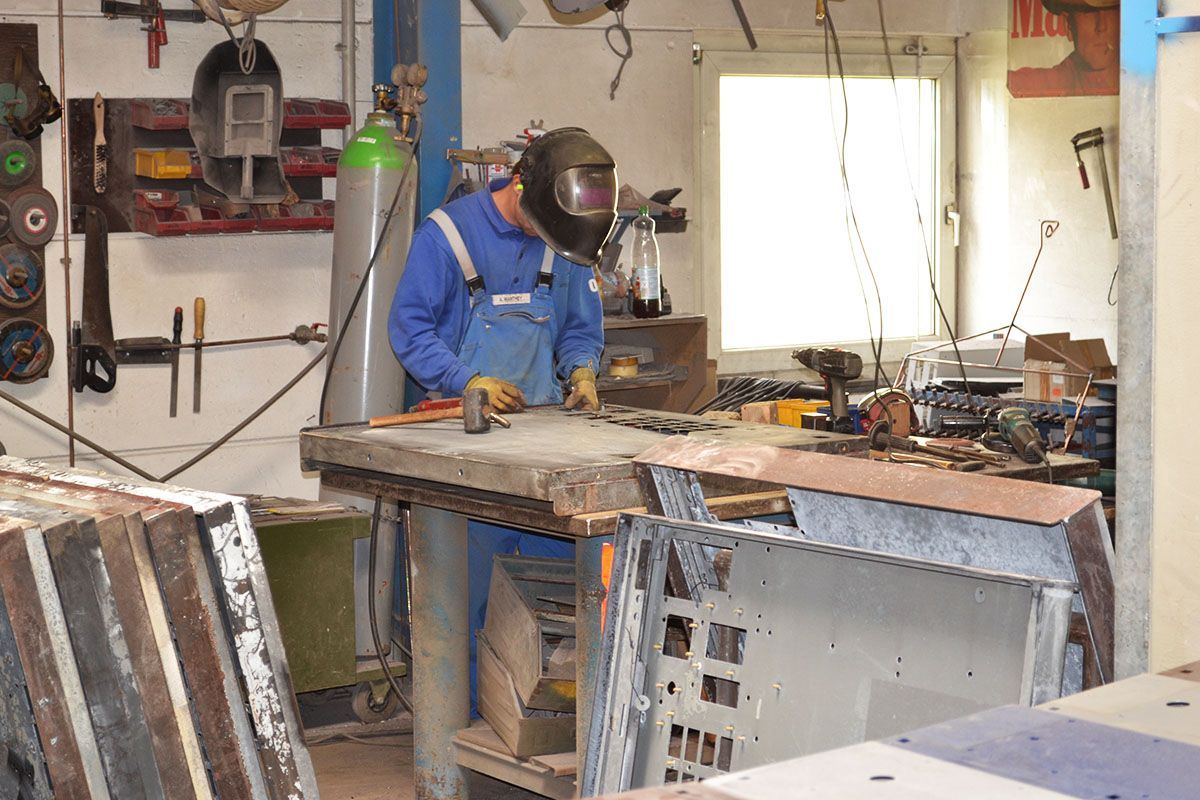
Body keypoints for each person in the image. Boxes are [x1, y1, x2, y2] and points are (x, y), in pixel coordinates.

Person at [388, 127, 619, 710]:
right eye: (539, 226)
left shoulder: (563, 238)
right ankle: (462, 731)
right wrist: (467, 380)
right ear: (519, 185)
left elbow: (579, 328)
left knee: (557, 596)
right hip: (463, 451)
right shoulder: (446, 237)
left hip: (544, 450)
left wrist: (582, 372)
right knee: (467, 604)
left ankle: (550, 721)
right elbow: (410, 330)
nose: (543, 239)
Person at [1008, 0, 1119, 98]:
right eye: (1088, 12)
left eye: (1112, 11)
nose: (1101, 26)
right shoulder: (1058, 82)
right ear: (1068, 26)